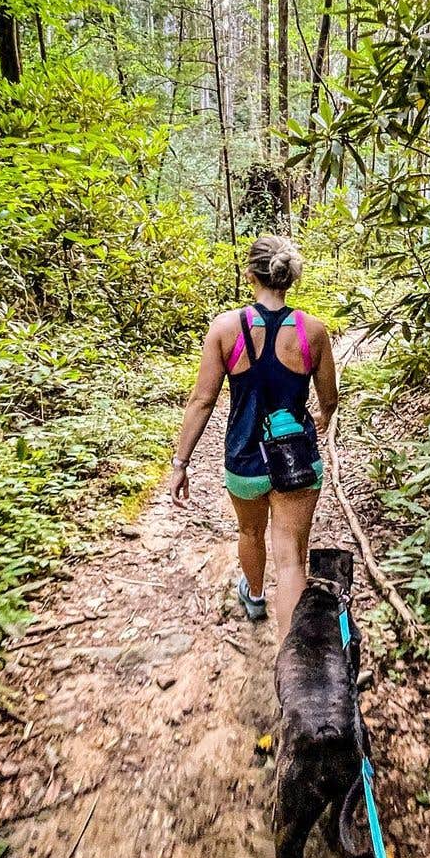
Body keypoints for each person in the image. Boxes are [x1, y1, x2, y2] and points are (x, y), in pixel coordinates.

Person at [169, 235, 338, 641]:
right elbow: (329, 398)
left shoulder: (226, 328)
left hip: (245, 460)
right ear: (289, 278)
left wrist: (181, 462)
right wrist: (321, 417)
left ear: (251, 274)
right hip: (297, 459)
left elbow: (202, 400)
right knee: (293, 562)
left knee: (249, 533)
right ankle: (295, 667)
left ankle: (256, 595)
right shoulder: (312, 331)